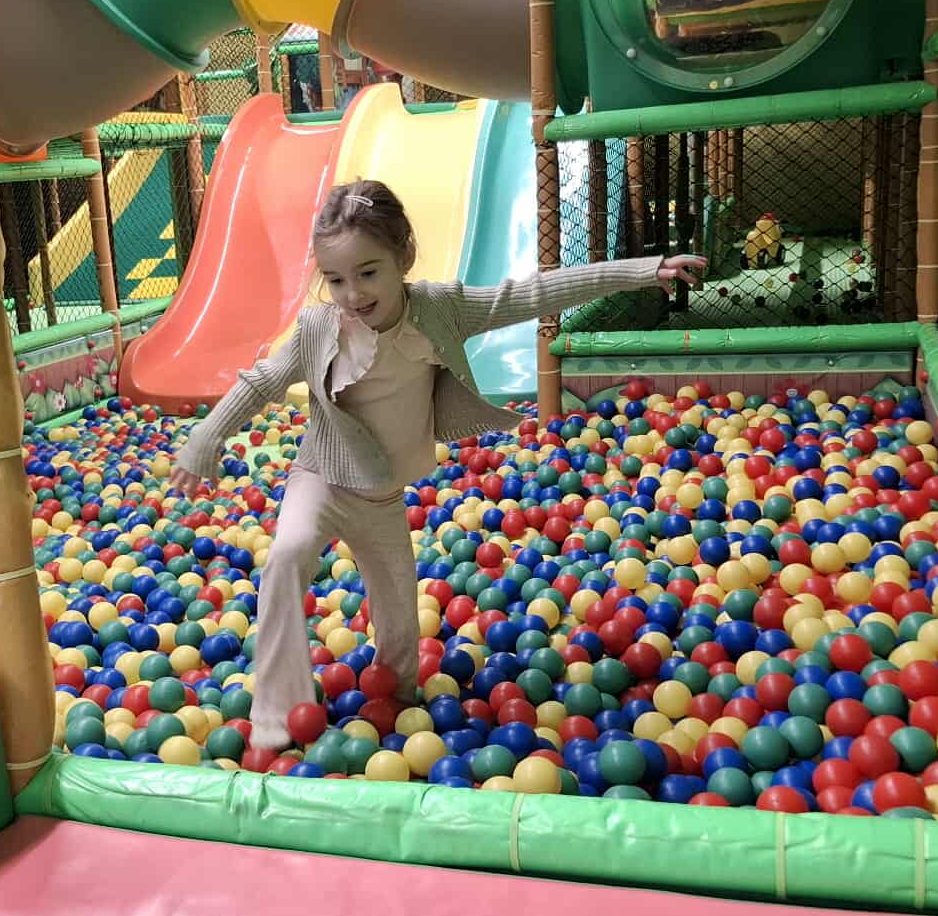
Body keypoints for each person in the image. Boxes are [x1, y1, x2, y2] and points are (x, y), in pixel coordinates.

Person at [169, 179, 706, 752]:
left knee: (399, 613)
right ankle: (278, 719)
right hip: (320, 479)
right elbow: (262, 382)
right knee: (287, 554)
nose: (353, 293)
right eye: (336, 279)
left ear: (403, 256)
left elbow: (532, 293)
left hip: (381, 493)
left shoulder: (440, 309)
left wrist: (642, 270)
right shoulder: (318, 328)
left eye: (368, 272)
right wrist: (206, 436)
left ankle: (397, 706)